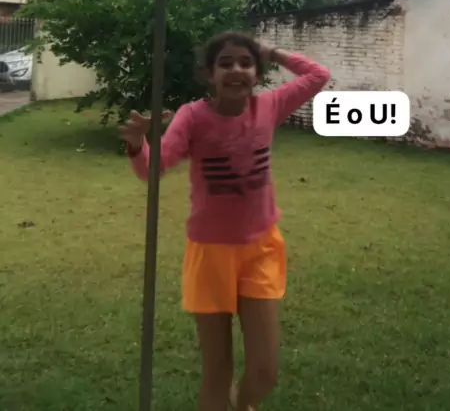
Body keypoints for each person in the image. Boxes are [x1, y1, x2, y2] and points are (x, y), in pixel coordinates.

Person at [121, 31, 330, 411]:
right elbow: (154, 168)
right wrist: (138, 144)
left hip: (261, 249)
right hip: (210, 253)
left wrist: (271, 51)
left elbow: (318, 76)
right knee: (217, 371)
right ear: (209, 74)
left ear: (258, 74)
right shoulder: (193, 117)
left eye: (246, 63)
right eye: (226, 63)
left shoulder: (269, 106)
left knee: (264, 372)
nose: (237, 70)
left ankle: (240, 404)